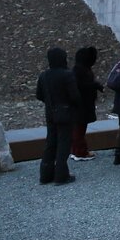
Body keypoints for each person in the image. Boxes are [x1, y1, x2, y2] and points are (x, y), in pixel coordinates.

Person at [36, 47, 80, 185]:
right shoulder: (67, 74)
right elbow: (75, 96)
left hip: (50, 112)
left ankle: (45, 175)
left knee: (50, 143)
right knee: (64, 144)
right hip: (65, 113)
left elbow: (39, 95)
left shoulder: (43, 75)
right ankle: (61, 175)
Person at [70, 46, 102, 161]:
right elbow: (81, 86)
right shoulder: (81, 71)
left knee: (78, 129)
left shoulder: (78, 69)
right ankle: (81, 152)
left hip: (80, 105)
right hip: (82, 105)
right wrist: (95, 85)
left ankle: (76, 151)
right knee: (79, 129)